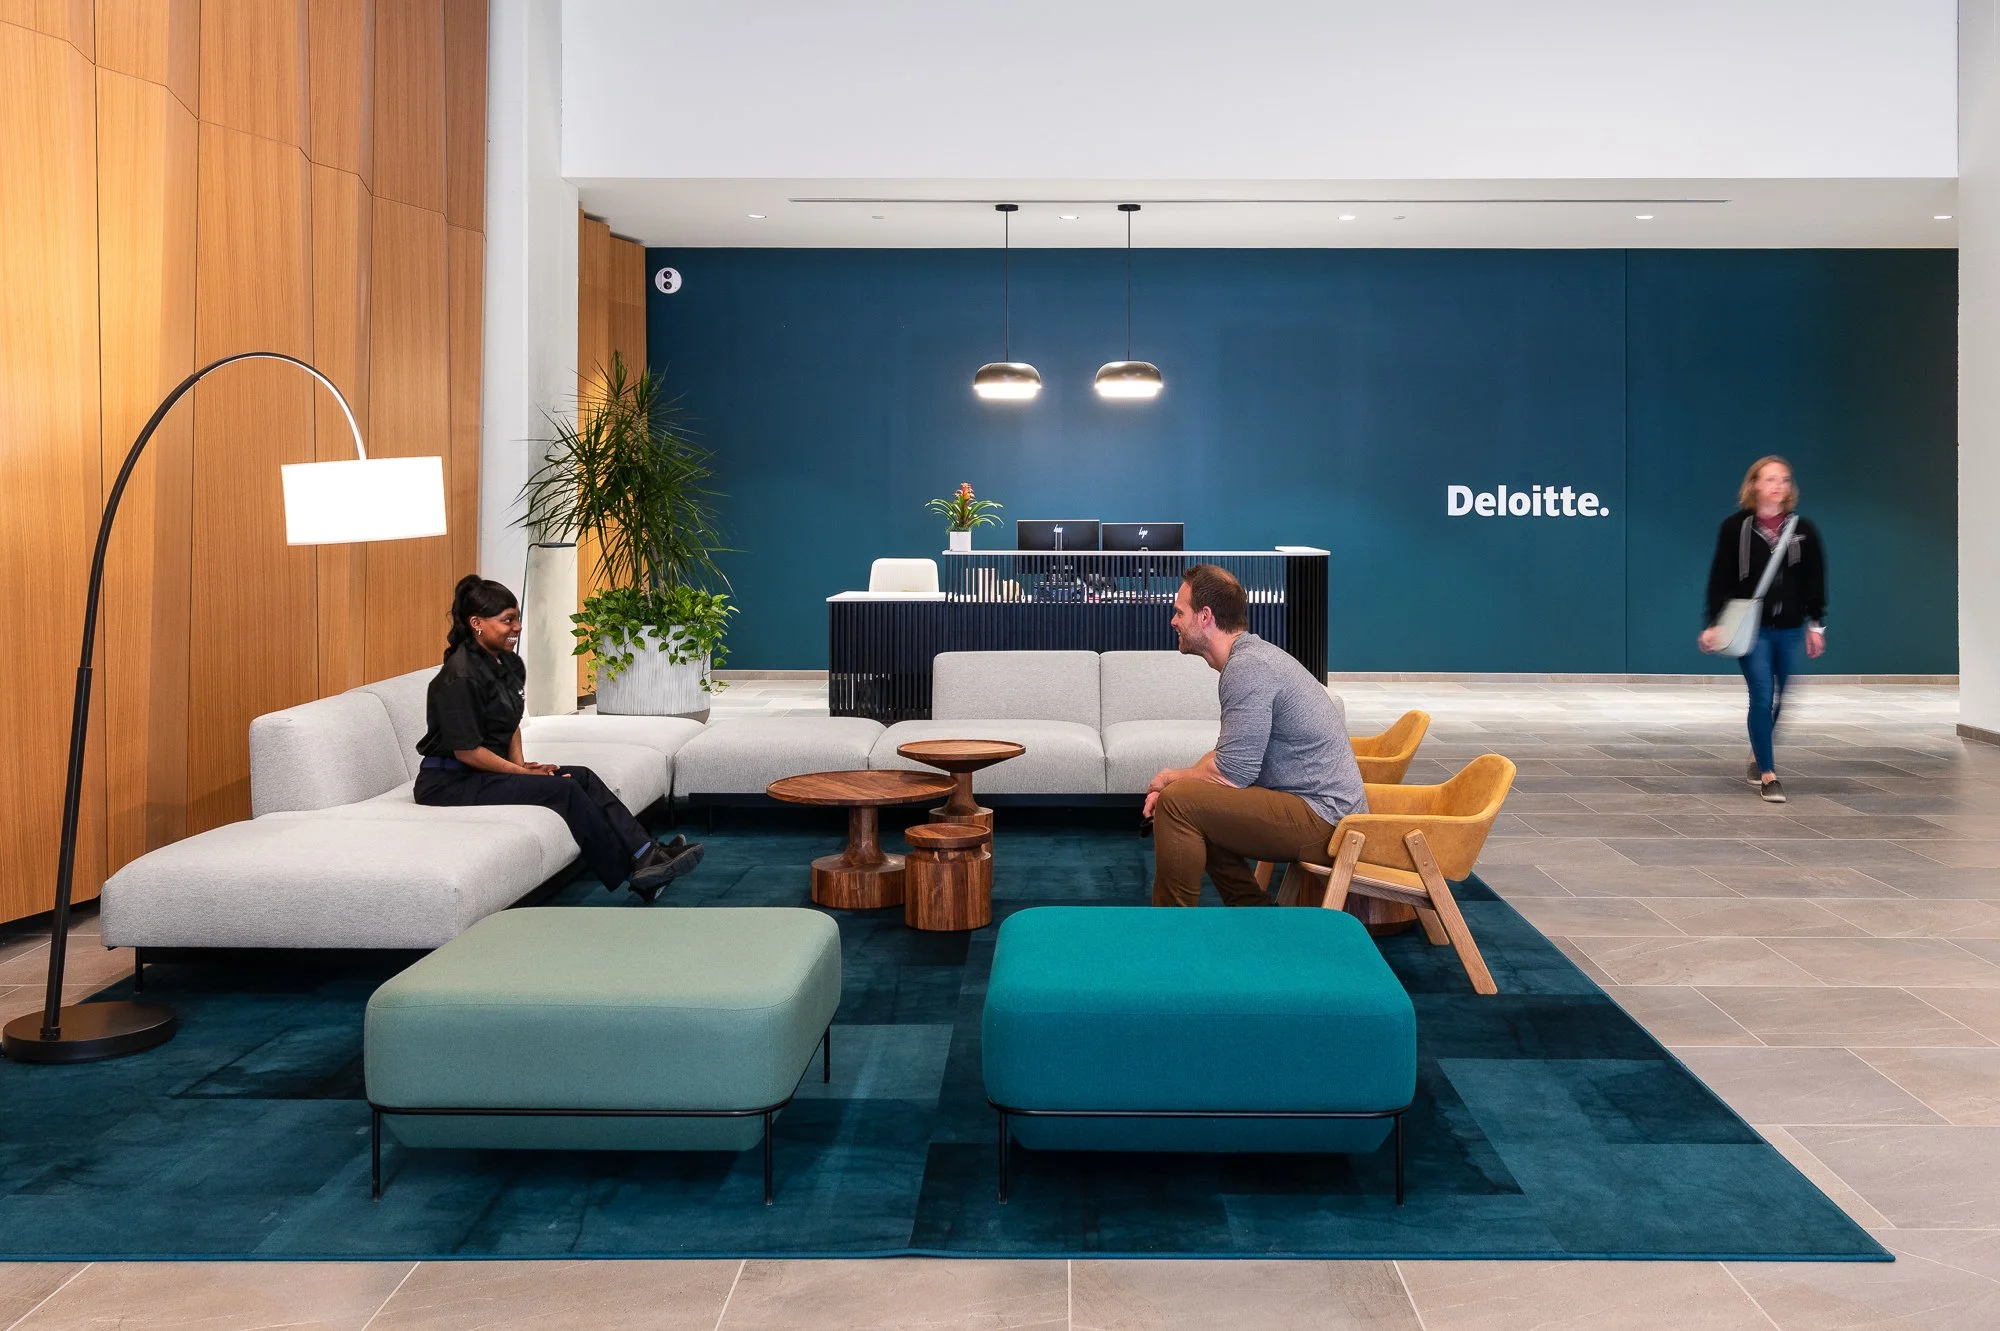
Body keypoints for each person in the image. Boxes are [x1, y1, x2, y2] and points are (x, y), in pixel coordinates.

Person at [413, 575, 702, 902]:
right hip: (449, 781)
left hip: (484, 772)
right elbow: (467, 752)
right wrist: (521, 775)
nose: (517, 627)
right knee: (563, 788)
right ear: (476, 623)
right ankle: (633, 873)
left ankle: (647, 853)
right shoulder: (459, 676)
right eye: (507, 620)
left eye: (517, 618)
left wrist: (522, 764)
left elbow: (511, 723)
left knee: (582, 776)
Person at [1144, 564, 1368, 907]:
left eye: (1179, 612)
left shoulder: (1248, 668)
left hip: (1325, 821)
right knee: (1192, 797)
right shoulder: (1248, 660)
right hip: (1316, 809)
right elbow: (1228, 756)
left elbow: (1231, 775)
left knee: (1179, 804)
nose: (1173, 621)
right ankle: (1254, 912)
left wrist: (1170, 781)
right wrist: (1179, 781)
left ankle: (1172, 930)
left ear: (1205, 617)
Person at [1698, 456, 1827, 804]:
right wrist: (1712, 622)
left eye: (1784, 479)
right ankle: (1769, 774)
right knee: (1761, 694)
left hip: (1788, 627)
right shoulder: (1735, 528)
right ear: (1754, 483)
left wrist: (1817, 623)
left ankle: (1758, 750)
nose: (1778, 486)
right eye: (1770, 479)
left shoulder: (1803, 530)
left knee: (1784, 695)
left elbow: (1815, 580)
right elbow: (1720, 577)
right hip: (1752, 630)